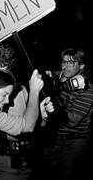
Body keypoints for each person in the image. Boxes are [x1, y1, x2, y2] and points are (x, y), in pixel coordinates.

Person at [0, 43, 43, 180]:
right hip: (2, 163)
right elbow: (26, 127)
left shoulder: (21, 90)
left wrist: (43, 117)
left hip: (26, 163)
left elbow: (33, 126)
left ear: (4, 65)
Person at [34, 47, 93, 180]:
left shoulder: (87, 89)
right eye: (63, 62)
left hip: (73, 144)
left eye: (71, 63)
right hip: (52, 140)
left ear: (82, 66)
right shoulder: (60, 77)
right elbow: (46, 74)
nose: (65, 66)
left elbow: (72, 121)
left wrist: (55, 106)